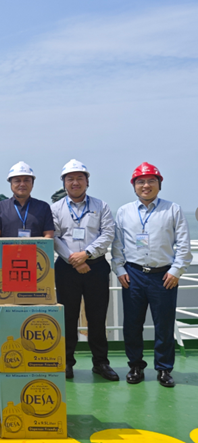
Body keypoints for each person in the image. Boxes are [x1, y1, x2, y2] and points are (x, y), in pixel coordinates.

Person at [111, 162, 192, 387]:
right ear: (134, 185)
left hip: (164, 276)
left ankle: (164, 369)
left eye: (151, 181)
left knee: (164, 324)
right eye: (141, 182)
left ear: (159, 184)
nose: (146, 186)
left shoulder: (173, 209)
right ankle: (135, 366)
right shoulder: (124, 211)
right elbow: (117, 245)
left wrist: (176, 270)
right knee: (132, 324)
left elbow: (183, 244)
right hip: (133, 274)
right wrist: (119, 269)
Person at [50, 159, 117, 381]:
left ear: (87, 181)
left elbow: (108, 234)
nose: (75, 182)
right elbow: (54, 237)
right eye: (70, 179)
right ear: (64, 183)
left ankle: (101, 363)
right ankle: (67, 362)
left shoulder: (101, 206)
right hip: (66, 268)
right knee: (67, 317)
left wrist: (86, 254)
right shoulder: (55, 208)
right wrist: (74, 260)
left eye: (80, 178)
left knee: (97, 317)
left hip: (95, 267)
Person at [0, 161, 55, 238]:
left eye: (26, 180)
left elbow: (49, 234)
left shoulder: (43, 207)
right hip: (6, 246)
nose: (22, 184)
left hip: (36, 247)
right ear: (11, 184)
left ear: (32, 183)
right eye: (17, 181)